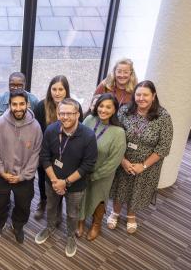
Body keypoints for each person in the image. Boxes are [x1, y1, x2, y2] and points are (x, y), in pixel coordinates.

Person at [35, 98, 97, 258]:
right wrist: (55, 181)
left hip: (75, 185)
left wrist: (66, 182)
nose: (65, 117)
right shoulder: (50, 130)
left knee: (72, 213)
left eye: (69, 113)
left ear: (77, 114)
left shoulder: (88, 136)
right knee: (50, 207)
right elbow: (44, 156)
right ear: (57, 113)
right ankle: (49, 227)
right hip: (52, 181)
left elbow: (88, 165)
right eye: (61, 113)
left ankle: (70, 236)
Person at [108, 80, 173, 234]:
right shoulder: (124, 111)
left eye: (145, 95)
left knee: (138, 189)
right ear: (134, 95)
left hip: (148, 165)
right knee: (119, 185)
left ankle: (131, 215)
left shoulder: (163, 117)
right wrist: (122, 160)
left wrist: (142, 165)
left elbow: (163, 147)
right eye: (138, 94)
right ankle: (115, 212)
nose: (141, 98)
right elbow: (114, 134)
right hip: (123, 159)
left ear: (153, 96)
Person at [0, 89, 42, 243]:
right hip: (2, 175)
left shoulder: (36, 127)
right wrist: (1, 171)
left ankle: (18, 225)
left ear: (28, 104)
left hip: (24, 177)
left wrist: (22, 176)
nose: (18, 108)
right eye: (14, 104)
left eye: (21, 104)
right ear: (9, 105)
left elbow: (36, 154)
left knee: (23, 205)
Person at [76, 94, 126, 241]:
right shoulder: (90, 119)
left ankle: (96, 225)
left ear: (114, 109)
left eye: (108, 107)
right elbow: (78, 140)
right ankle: (81, 221)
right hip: (83, 170)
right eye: (101, 106)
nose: (103, 110)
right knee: (82, 197)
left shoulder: (119, 132)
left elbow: (114, 161)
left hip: (103, 175)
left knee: (98, 199)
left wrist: (94, 175)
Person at [33, 75, 83, 220]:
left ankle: (58, 206)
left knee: (62, 180)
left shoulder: (75, 107)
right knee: (43, 179)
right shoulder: (41, 106)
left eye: (61, 89)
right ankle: (43, 202)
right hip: (46, 153)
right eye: (54, 89)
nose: (57, 92)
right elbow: (36, 131)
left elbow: (80, 129)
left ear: (66, 91)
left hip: (66, 154)